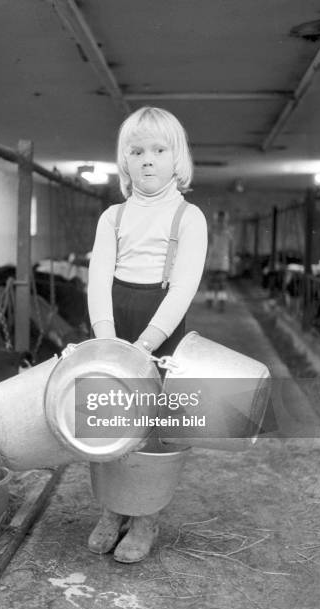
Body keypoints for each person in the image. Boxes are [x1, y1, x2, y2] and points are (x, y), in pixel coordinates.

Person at [87, 106, 208, 563]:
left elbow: (183, 289)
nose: (148, 160)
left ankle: (145, 516)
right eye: (136, 151)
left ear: (177, 158)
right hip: (113, 322)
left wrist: (144, 346)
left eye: (159, 150)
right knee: (104, 418)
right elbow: (98, 280)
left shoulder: (188, 217)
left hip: (161, 328)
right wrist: (106, 340)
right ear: (124, 160)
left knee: (155, 427)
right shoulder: (112, 218)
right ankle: (112, 509)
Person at [204, 210, 233, 311]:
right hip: (218, 261)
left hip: (218, 261)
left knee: (218, 284)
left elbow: (231, 249)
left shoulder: (214, 230)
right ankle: (215, 303)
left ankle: (215, 303)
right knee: (218, 284)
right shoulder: (214, 231)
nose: (221, 221)